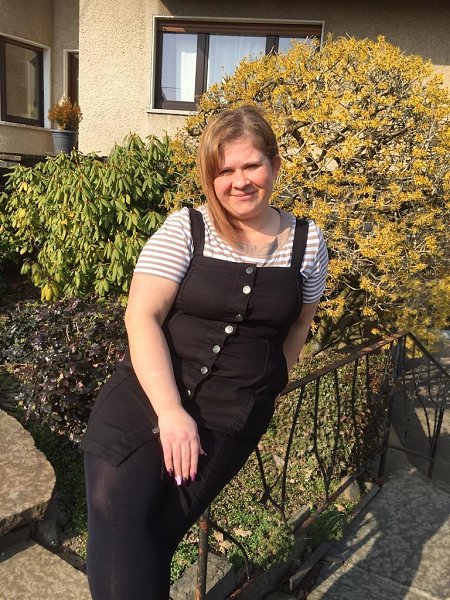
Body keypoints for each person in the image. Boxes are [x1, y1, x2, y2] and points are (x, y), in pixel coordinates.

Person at [81, 105, 328, 600]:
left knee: (158, 535)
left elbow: (300, 322)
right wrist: (171, 411)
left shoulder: (307, 242)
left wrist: (269, 383)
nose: (240, 181)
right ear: (210, 176)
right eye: (225, 170)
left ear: (275, 165)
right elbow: (141, 316)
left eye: (251, 165)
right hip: (144, 397)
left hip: (229, 419)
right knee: (116, 513)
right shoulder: (186, 228)